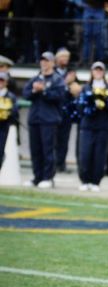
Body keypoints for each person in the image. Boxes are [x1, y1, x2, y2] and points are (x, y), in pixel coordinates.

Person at [22, 51, 66, 188]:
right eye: (42, 60)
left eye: (47, 61)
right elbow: (26, 94)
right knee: (35, 150)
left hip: (49, 119)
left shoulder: (57, 79)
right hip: (35, 118)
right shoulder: (35, 78)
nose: (44, 63)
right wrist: (35, 91)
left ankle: (48, 177)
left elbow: (59, 96)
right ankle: (37, 177)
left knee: (48, 150)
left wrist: (44, 91)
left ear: (53, 63)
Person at [77, 61, 108, 191]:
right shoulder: (85, 88)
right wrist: (91, 104)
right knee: (85, 154)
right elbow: (80, 106)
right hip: (88, 125)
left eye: (100, 70)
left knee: (99, 155)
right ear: (92, 71)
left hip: (103, 126)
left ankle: (96, 181)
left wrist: (104, 102)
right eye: (96, 70)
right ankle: (85, 180)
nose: (98, 72)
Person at [0, 72, 19, 170]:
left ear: (6, 82)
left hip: (3, 126)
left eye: (2, 80)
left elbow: (14, 112)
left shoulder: (11, 96)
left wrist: (6, 113)